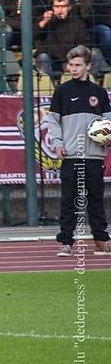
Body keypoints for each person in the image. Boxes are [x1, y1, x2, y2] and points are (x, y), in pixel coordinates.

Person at [43, 46, 111, 257]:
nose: (73, 69)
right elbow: (53, 122)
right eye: (71, 65)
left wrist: (107, 137)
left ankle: (101, 240)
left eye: (78, 65)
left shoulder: (99, 93)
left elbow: (108, 122)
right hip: (71, 155)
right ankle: (66, 242)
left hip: (94, 156)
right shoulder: (62, 91)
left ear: (88, 66)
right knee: (69, 200)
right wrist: (57, 143)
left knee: (96, 200)